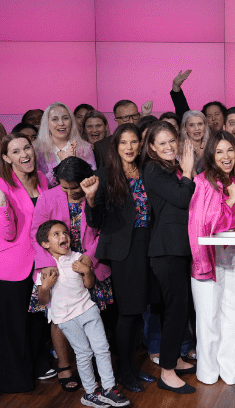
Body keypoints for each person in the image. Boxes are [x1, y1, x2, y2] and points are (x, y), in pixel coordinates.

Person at [30, 157, 113, 394]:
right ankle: (64, 366)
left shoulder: (98, 191)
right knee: (59, 317)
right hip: (57, 265)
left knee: (92, 313)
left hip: (89, 263)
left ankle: (98, 366)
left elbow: (105, 228)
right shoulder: (48, 196)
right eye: (65, 187)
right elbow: (37, 231)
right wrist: (47, 262)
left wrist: (91, 257)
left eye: (74, 188)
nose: (69, 192)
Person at [0, 133, 51, 393]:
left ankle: (31, 372)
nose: (25, 154)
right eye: (17, 151)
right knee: (12, 330)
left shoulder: (41, 179)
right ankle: (12, 383)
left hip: (38, 265)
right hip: (10, 269)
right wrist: (3, 206)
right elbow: (7, 234)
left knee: (34, 325)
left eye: (27, 148)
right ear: (7, 158)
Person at [85, 124, 156, 392]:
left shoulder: (147, 171)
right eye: (123, 142)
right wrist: (91, 200)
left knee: (139, 311)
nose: (129, 147)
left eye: (134, 141)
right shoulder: (104, 175)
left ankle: (132, 366)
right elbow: (95, 220)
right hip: (123, 251)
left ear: (140, 144)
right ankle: (123, 371)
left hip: (147, 244)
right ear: (116, 147)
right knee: (127, 312)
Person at [34, 220, 130, 408]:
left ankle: (109, 388)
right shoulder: (45, 269)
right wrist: (45, 287)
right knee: (84, 353)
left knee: (102, 348)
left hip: (87, 310)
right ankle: (90, 392)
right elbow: (43, 300)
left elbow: (90, 285)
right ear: (45, 244)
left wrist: (87, 271)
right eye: (56, 235)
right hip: (66, 319)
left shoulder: (78, 257)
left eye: (65, 233)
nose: (63, 237)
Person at [189, 131, 235, 386]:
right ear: (212, 155)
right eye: (220, 151)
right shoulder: (202, 181)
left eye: (230, 150)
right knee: (208, 317)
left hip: (233, 254)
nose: (226, 157)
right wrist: (233, 201)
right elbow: (202, 224)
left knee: (232, 315)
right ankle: (208, 372)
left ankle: (229, 370)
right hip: (207, 257)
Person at [141, 121, 197, 394]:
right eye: (161, 143)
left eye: (171, 141)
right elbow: (182, 198)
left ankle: (173, 359)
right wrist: (187, 172)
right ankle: (167, 372)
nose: (168, 146)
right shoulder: (152, 169)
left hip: (178, 247)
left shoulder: (171, 169)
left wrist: (185, 172)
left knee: (178, 309)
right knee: (175, 311)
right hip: (166, 249)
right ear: (151, 147)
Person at [34, 102, 97, 186]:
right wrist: (64, 164)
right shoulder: (37, 149)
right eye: (55, 119)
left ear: (71, 121)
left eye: (65, 118)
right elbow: (41, 183)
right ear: (47, 123)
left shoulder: (85, 147)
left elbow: (91, 178)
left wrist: (73, 163)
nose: (61, 123)